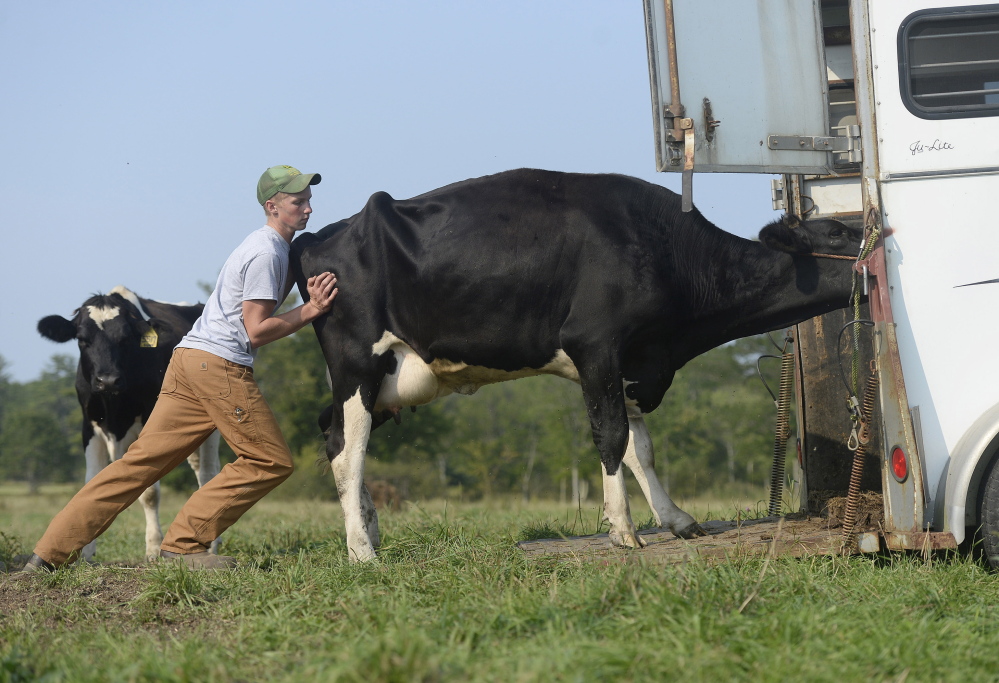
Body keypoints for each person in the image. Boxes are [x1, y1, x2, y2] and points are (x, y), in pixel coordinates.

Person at [12, 165, 337, 573]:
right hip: (218, 365)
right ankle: (183, 545)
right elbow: (255, 330)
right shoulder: (267, 252)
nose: (308, 208)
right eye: (298, 202)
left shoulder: (263, 245)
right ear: (272, 206)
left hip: (187, 361)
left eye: (308, 200)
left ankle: (47, 555)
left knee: (135, 467)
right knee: (270, 460)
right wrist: (311, 309)